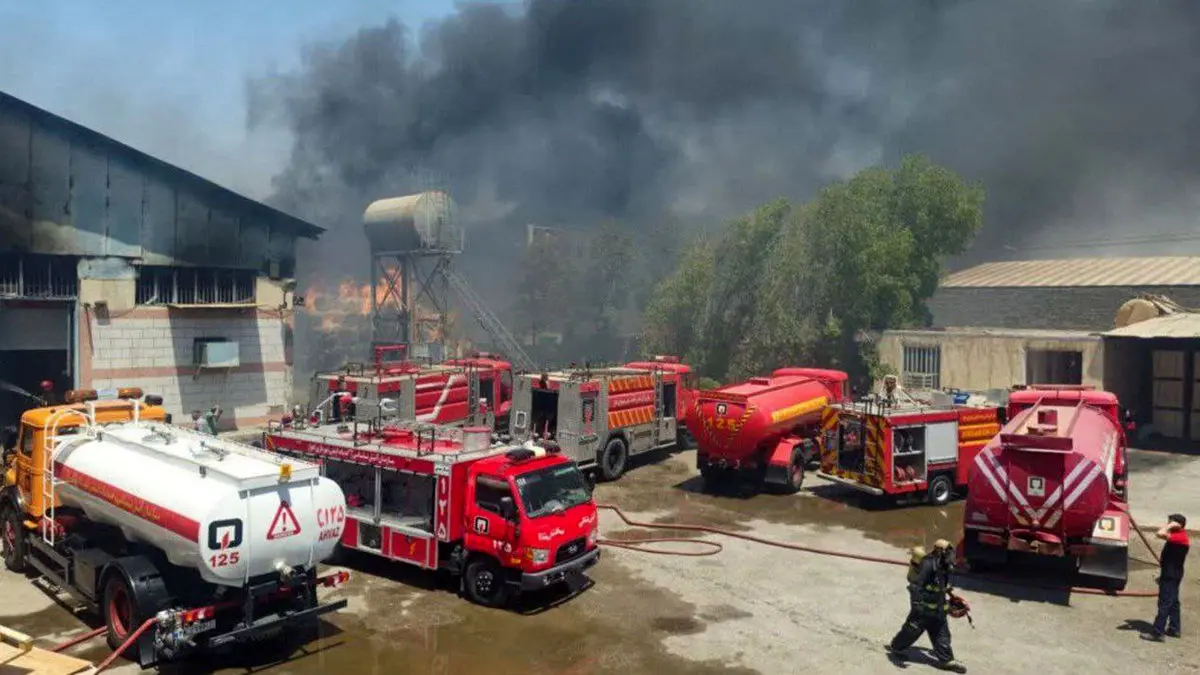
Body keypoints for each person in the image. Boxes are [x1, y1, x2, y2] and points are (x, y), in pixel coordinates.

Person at [888, 539, 967, 673]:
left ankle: (947, 661)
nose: (951, 556)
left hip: (939, 610)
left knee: (942, 636)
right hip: (924, 610)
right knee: (911, 631)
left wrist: (951, 601)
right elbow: (915, 586)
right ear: (940, 552)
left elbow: (940, 587)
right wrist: (917, 604)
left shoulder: (944, 566)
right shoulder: (928, 564)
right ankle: (896, 648)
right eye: (949, 553)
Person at [1142, 513, 1189, 641]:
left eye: (1170, 522)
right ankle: (1174, 628)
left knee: (1164, 602)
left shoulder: (1179, 536)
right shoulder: (1178, 535)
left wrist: (1170, 525)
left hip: (1171, 574)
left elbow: (1159, 533)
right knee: (1173, 601)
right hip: (1172, 573)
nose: (1167, 524)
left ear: (1177, 524)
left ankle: (1158, 632)